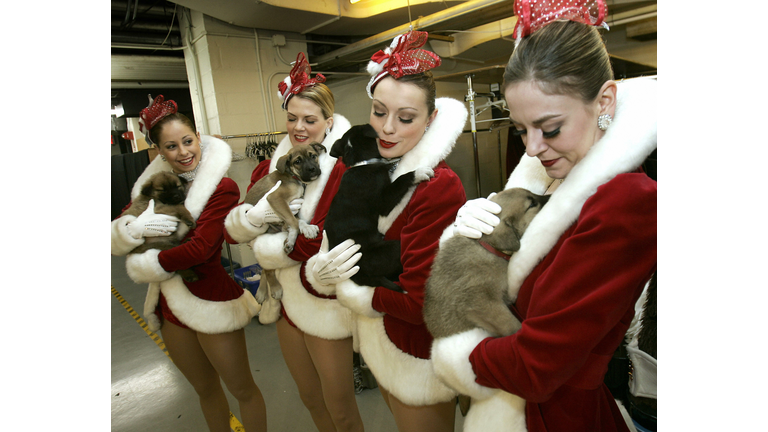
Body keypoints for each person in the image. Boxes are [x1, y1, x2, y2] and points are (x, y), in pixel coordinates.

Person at [429, 1, 658, 431]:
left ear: (604, 99)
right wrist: (470, 244)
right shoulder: (552, 176)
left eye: (549, 128)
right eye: (520, 129)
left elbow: (538, 365)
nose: (532, 147)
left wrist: (457, 353)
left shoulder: (628, 200)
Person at [303, 31, 469, 432]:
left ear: (429, 120)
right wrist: (320, 270)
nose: (387, 129)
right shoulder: (361, 166)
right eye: (379, 112)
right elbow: (333, 234)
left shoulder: (437, 185)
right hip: (380, 339)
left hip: (418, 354)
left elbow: (417, 301)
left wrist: (356, 292)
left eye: (406, 118)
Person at [224, 52, 365, 432]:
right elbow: (232, 230)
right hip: (287, 302)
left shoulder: (341, 170)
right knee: (310, 399)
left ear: (328, 121)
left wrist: (268, 245)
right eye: (292, 118)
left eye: (310, 119)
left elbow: (315, 241)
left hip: (324, 301)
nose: (299, 127)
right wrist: (252, 220)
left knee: (342, 410)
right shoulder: (270, 166)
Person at [110, 95, 267, 432]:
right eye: (171, 146)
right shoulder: (154, 186)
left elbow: (200, 248)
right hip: (168, 304)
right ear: (159, 151)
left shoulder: (221, 187)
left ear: (198, 137)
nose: (183, 152)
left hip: (211, 298)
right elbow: (122, 230)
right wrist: (130, 229)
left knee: (241, 389)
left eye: (187, 141)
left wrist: (150, 259)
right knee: (205, 390)